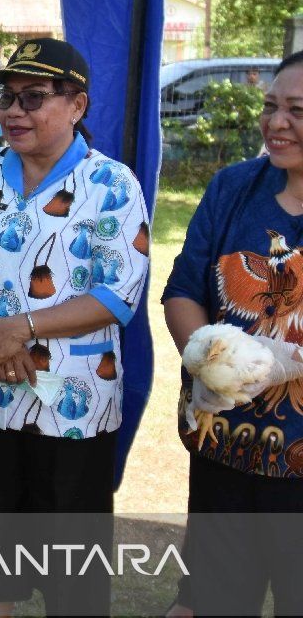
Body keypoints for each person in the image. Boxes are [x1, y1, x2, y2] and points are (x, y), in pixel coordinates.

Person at [0, 38, 150, 616]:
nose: (13, 111)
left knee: (69, 552)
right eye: (6, 97)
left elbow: (118, 291)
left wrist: (24, 327)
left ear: (77, 105)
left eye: (33, 98)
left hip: (71, 402)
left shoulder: (112, 184)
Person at [163, 51, 303, 617]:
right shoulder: (233, 187)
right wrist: (209, 359)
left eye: (297, 109)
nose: (276, 122)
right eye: (271, 106)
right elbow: (183, 291)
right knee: (219, 601)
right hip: (224, 448)